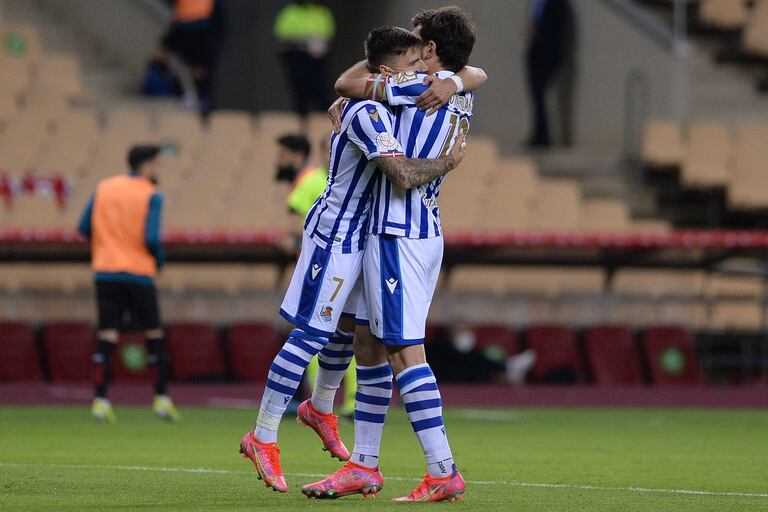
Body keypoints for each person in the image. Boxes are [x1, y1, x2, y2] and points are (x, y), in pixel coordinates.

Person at [237, 26, 467, 494]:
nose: (417, 71)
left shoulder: (406, 94)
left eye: (422, 60)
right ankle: (265, 434)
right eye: (407, 65)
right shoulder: (370, 111)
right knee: (331, 334)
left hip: (375, 236)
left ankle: (326, 414)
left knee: (360, 335)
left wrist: (459, 79)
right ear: (385, 73)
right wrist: (449, 160)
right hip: (337, 235)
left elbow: (459, 72)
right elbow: (400, 171)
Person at [304, 7, 486, 502]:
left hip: (397, 232)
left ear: (429, 50)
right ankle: (363, 465)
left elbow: (348, 83)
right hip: (412, 229)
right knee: (367, 340)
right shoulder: (456, 85)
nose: (408, 47)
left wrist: (355, 107)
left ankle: (442, 469)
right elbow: (472, 72)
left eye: (417, 41)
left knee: (405, 351)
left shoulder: (419, 88)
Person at [77, 145, 180, 424]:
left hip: (105, 272)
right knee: (153, 334)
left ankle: (100, 400)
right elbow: (151, 238)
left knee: (107, 334)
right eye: (158, 164)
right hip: (138, 272)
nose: (159, 170)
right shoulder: (151, 193)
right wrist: (158, 261)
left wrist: (108, 243)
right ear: (147, 165)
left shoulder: (104, 187)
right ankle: (161, 398)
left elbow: (83, 227)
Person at [273, 133, 357, 418]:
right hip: (318, 268)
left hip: (342, 267)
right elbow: (293, 228)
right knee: (318, 333)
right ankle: (317, 402)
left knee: (346, 334)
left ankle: (350, 403)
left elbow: (293, 230)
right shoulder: (314, 182)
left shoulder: (345, 180)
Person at [274, 0, 335, 128]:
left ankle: (324, 125)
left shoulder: (322, 12)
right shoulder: (291, 12)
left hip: (317, 59)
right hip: (297, 57)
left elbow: (328, 35)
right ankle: (300, 122)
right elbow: (282, 35)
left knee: (321, 90)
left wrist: (320, 43)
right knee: (299, 90)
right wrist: (303, 42)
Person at [525, 0, 571, 148]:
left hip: (549, 54)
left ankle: (544, 138)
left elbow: (558, 29)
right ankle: (540, 135)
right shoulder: (536, 3)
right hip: (535, 52)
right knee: (536, 96)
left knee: (543, 95)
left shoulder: (558, 3)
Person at [159, 0, 218, 114]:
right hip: (184, 24)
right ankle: (188, 94)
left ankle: (200, 97)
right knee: (171, 60)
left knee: (198, 68)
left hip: (199, 25)